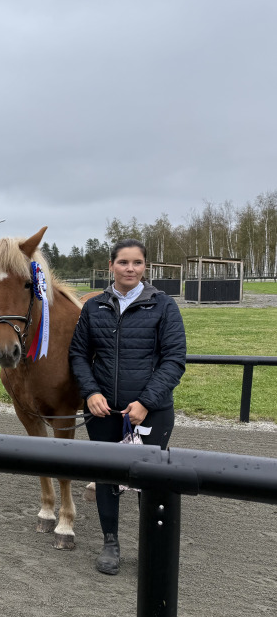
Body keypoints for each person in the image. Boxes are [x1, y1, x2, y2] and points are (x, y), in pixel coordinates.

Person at [69, 238, 186, 575]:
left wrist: (147, 402)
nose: (130, 268)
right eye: (123, 262)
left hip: (151, 412)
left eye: (137, 262)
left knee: (149, 481)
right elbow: (78, 354)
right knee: (107, 478)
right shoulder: (94, 307)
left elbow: (174, 359)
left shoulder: (164, 306)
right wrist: (90, 392)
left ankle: (153, 547)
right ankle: (110, 543)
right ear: (111, 266)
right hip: (104, 411)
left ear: (145, 267)